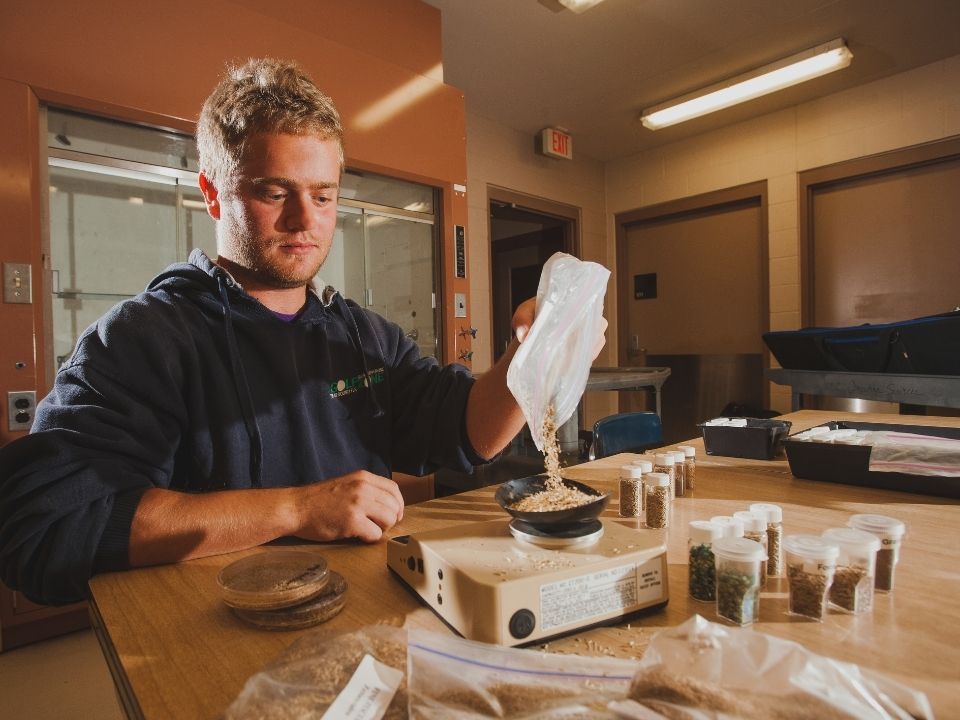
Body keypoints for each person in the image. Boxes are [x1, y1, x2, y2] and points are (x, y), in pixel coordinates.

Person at [0, 58, 603, 606]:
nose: (305, 220)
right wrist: (296, 508)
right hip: (207, 645)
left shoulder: (360, 335)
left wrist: (533, 352)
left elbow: (467, 431)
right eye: (273, 192)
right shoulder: (145, 338)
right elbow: (43, 528)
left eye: (323, 195)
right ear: (212, 192)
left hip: (352, 622)